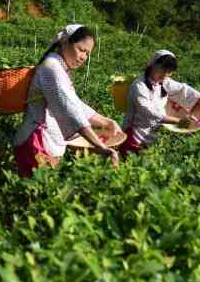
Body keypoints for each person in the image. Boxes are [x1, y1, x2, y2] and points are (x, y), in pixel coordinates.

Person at [13, 24, 121, 178]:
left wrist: (106, 122)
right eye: (81, 49)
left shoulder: (60, 68)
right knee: (39, 196)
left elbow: (76, 104)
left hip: (45, 143)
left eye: (88, 54)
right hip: (36, 143)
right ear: (65, 43)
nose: (84, 57)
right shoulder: (52, 68)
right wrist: (101, 147)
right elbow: (71, 110)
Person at [119, 50, 200, 156]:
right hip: (134, 136)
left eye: (169, 72)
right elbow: (150, 112)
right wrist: (179, 121)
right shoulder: (139, 87)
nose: (165, 75)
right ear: (152, 65)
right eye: (162, 70)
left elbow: (184, 90)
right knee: (130, 165)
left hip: (152, 135)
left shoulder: (163, 82)